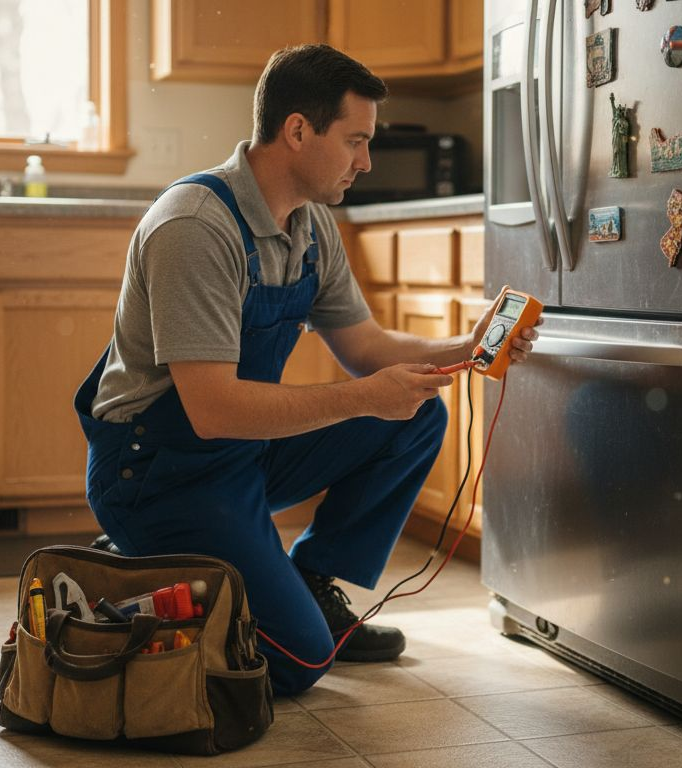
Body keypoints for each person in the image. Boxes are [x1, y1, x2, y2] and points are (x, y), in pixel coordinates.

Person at [74, 44, 538, 696]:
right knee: (299, 662)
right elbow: (212, 410)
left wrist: (470, 343)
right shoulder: (196, 226)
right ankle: (140, 560)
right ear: (298, 131)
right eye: (355, 140)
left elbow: (369, 348)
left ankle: (312, 582)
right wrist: (361, 397)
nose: (366, 161)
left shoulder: (312, 226)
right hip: (159, 472)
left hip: (238, 458)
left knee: (412, 419)